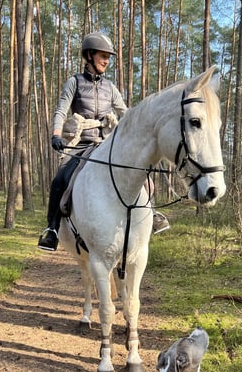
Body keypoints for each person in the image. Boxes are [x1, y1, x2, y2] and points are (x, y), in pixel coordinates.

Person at [38, 32, 170, 252]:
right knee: (59, 180)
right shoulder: (75, 82)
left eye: (108, 57)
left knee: (143, 176)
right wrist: (56, 134)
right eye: (102, 56)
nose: (106, 61)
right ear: (89, 55)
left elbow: (126, 114)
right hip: (81, 144)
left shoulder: (110, 88)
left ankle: (152, 214)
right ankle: (51, 230)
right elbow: (61, 110)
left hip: (107, 143)